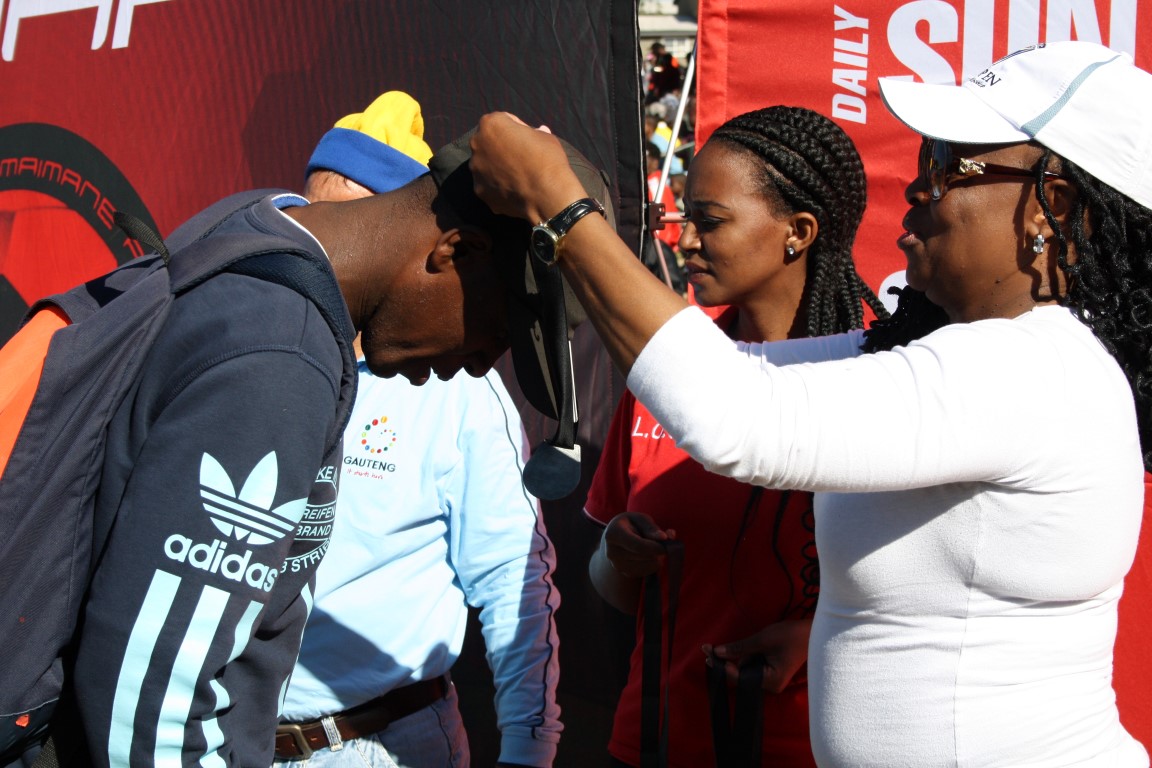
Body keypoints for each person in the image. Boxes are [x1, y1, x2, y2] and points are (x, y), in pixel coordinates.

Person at [467, 40, 1152, 766]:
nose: (920, 188)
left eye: (954, 165)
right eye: (927, 159)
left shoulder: (1033, 367)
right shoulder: (963, 353)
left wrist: (558, 203)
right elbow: (724, 372)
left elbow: (731, 414)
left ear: (1052, 208)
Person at [0, 105, 610, 767]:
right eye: (495, 334)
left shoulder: (247, 230)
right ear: (456, 252)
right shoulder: (282, 353)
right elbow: (153, 706)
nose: (478, 365)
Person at [587, 106, 886, 767]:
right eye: (685, 217)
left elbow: (936, 598)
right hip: (651, 743)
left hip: (815, 748)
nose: (684, 240)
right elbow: (612, 586)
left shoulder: (881, 383)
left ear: (797, 232)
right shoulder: (665, 373)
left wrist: (814, 638)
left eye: (711, 220)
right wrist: (616, 553)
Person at [273, 91, 562, 768]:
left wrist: (529, 748)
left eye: (349, 227)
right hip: (228, 738)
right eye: (313, 223)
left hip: (379, 744)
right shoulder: (265, 350)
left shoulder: (458, 388)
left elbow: (513, 578)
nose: (326, 253)